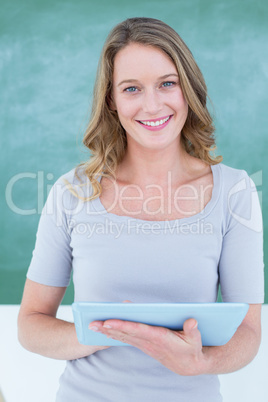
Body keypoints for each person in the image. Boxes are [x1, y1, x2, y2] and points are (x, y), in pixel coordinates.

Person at [18, 17, 264, 402]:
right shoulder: (72, 192)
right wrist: (106, 331)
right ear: (112, 101)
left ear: (189, 90)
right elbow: (31, 326)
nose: (152, 105)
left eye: (167, 83)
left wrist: (200, 363)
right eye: (131, 88)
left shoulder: (235, 192)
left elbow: (249, 334)